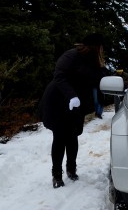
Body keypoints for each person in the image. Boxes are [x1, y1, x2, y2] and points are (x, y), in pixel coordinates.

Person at [41, 33, 111, 188]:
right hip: (58, 100)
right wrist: (71, 96)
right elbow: (59, 76)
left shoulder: (94, 60)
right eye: (100, 46)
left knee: (72, 136)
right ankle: (56, 175)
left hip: (77, 103)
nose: (101, 50)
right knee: (60, 137)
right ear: (93, 46)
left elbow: (98, 77)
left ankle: (71, 169)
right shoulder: (71, 55)